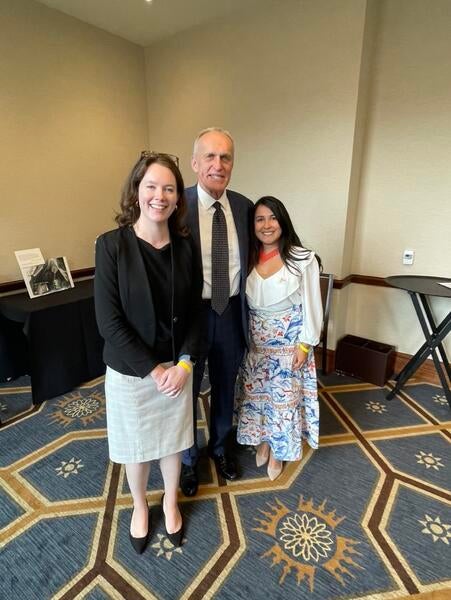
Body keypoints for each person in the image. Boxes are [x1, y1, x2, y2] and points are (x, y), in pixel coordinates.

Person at [94, 152, 202, 553]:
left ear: (177, 198)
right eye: (152, 186)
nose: (160, 195)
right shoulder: (110, 247)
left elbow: (195, 313)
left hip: (177, 369)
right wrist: (154, 371)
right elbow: (110, 322)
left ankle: (171, 501)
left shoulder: (187, 248)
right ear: (137, 191)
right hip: (132, 372)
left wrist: (186, 363)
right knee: (135, 448)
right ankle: (140, 506)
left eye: (169, 188)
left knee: (173, 444)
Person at [180, 127, 253, 497]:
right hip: (192, 316)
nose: (218, 164)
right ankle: (188, 460)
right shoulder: (178, 205)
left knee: (226, 385)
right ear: (195, 163)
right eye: (209, 156)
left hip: (230, 313)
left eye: (225, 157)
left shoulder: (244, 207)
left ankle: (221, 447)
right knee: (186, 392)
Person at [235, 196, 323, 480]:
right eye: (259, 219)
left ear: (283, 221)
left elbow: (312, 305)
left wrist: (305, 344)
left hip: (289, 344)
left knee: (283, 400)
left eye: (272, 217)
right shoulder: (247, 256)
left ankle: (278, 450)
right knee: (258, 396)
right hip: (256, 343)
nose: (266, 225)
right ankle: (263, 439)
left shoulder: (302, 258)